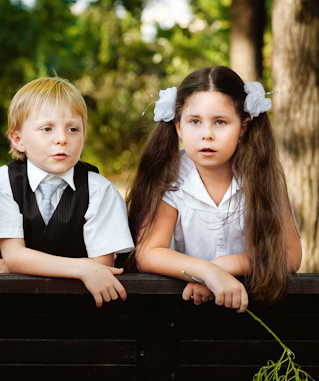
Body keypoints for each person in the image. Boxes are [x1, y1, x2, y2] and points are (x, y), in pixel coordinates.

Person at [126, 66, 302, 314]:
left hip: (257, 304)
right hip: (186, 308)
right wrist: (206, 272)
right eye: (194, 121)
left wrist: (221, 268)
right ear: (178, 127)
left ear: (243, 127)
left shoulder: (262, 175)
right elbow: (149, 253)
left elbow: (290, 255)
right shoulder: (170, 176)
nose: (206, 134)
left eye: (220, 122)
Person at [0, 77, 134, 308]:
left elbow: (100, 267)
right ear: (18, 139)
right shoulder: (1, 182)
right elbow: (15, 255)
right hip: (16, 305)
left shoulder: (100, 190)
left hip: (81, 308)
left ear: (84, 136)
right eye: (47, 129)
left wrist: (18, 267)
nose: (62, 139)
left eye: (73, 129)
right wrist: (81, 267)